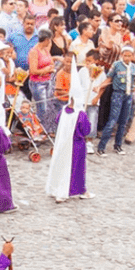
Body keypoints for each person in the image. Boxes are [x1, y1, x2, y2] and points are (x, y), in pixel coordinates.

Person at [46, 58, 92, 202]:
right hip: (76, 145)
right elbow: (86, 130)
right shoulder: (80, 114)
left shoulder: (65, 110)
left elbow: (57, 121)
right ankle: (70, 190)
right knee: (75, 168)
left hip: (63, 143)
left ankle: (59, 188)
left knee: (62, 165)